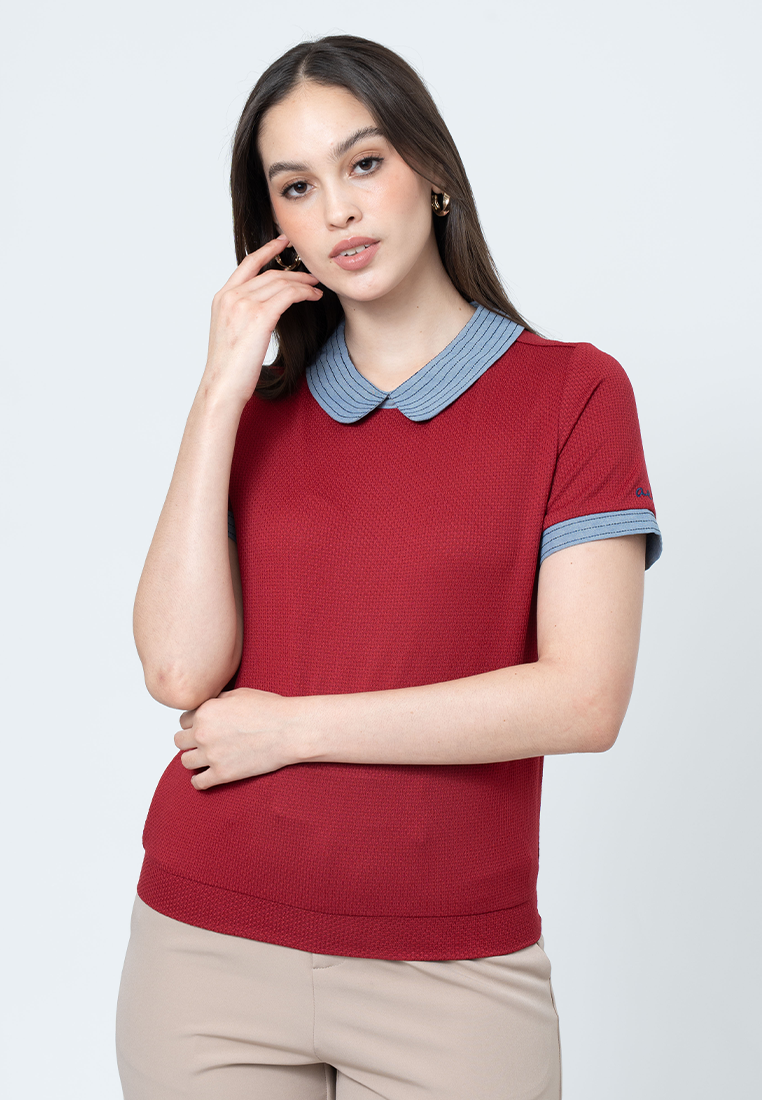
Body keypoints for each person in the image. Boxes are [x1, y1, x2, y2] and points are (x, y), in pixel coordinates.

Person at [115, 34, 661, 1100]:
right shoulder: (256, 415)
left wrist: (294, 728)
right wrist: (219, 390)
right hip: (204, 951)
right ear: (275, 228)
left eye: (364, 163)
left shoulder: (574, 396)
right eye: (297, 187)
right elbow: (179, 671)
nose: (339, 209)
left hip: (452, 970)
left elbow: (585, 697)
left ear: (433, 171)